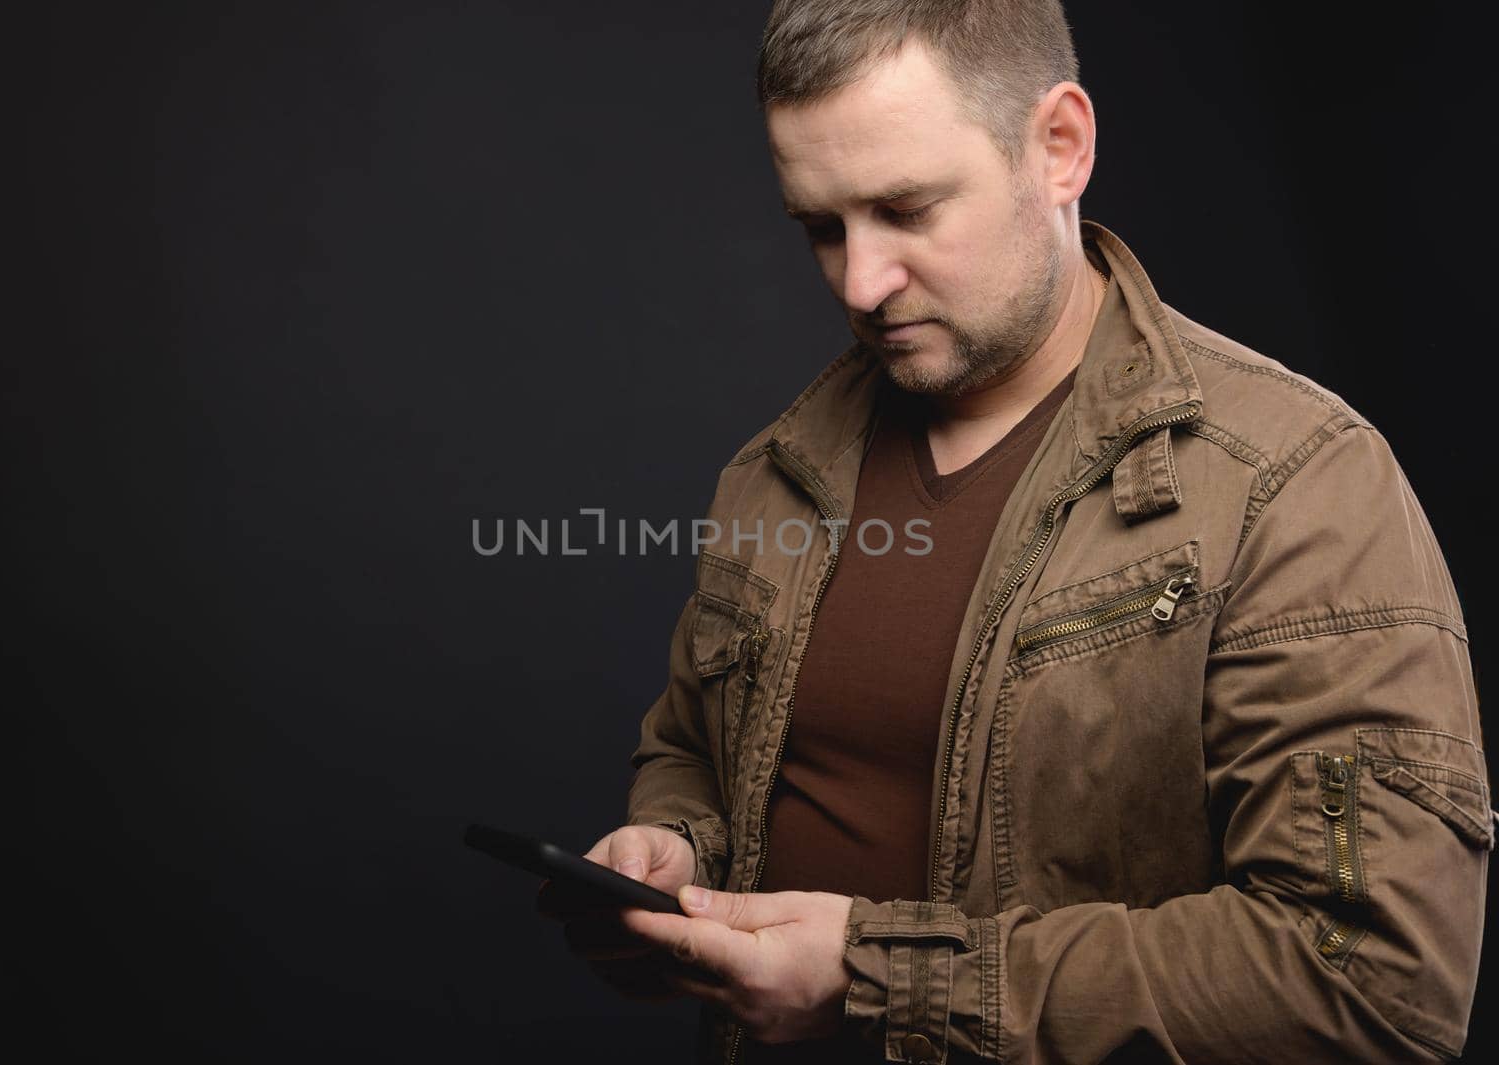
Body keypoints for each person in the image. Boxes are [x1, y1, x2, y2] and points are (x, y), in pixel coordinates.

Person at [536, 2, 1489, 1062]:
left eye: (907, 209)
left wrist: (876, 979)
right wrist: (673, 848)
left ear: (1059, 147)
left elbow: (1373, 984)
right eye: (820, 226)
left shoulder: (1295, 482)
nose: (860, 283)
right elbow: (694, 751)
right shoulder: (771, 476)